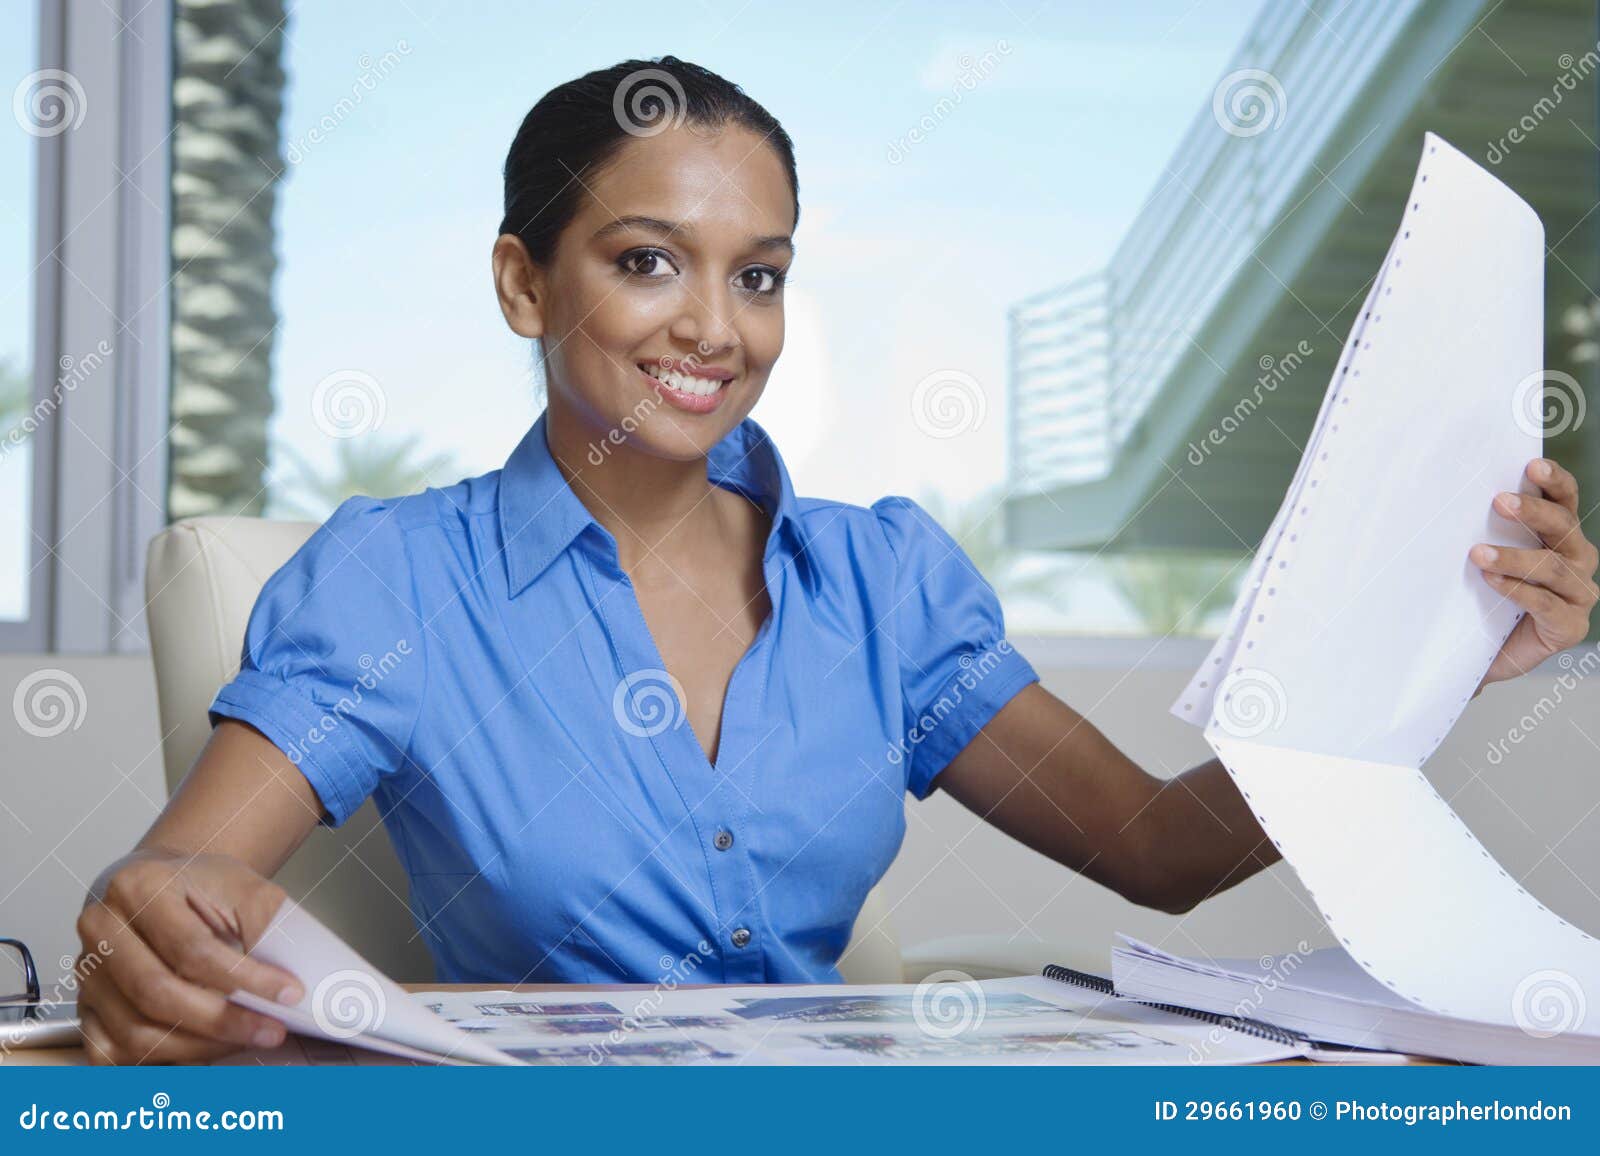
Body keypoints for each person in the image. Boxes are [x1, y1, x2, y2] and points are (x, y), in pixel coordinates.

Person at [76, 56, 1599, 1064]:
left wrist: (1435, 659)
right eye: (645, 261)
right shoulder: (397, 583)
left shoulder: (884, 587)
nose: (714, 330)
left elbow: (1161, 851)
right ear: (524, 281)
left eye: (760, 276)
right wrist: (152, 931)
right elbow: (191, 870)